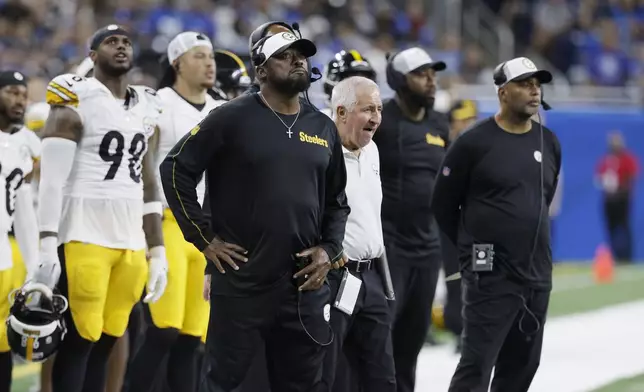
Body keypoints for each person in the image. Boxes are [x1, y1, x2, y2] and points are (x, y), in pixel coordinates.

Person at [160, 21, 350, 392]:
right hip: (244, 285)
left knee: (304, 385)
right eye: (284, 56)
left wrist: (329, 250)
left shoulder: (322, 126)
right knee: (226, 383)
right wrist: (205, 239)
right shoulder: (231, 116)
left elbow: (337, 202)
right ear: (261, 69)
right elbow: (176, 168)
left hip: (304, 287)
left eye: (300, 55)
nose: (296, 61)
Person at [35, 24, 168, 392]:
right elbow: (51, 180)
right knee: (81, 338)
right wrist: (47, 242)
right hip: (83, 232)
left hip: (129, 239)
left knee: (110, 337)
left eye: (126, 41)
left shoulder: (146, 105)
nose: (121, 46)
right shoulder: (75, 97)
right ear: (92, 55)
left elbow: (148, 182)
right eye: (111, 42)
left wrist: (157, 250)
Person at [431, 57, 562, 392]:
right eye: (525, 83)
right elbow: (443, 205)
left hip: (536, 275)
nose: (534, 90)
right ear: (503, 92)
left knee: (522, 367)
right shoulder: (473, 143)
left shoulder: (548, 142)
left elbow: (540, 202)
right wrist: (470, 252)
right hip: (490, 277)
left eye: (537, 83)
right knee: (476, 366)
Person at [126, 31, 227, 392]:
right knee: (163, 329)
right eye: (198, 55)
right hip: (167, 223)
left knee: (192, 338)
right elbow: (141, 170)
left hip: (205, 233)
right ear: (177, 62)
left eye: (210, 56)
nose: (209, 62)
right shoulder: (158, 103)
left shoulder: (221, 108)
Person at [371, 47, 449, 392]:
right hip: (389, 246)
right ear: (399, 81)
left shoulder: (439, 123)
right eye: (421, 74)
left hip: (427, 249)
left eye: (433, 74)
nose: (431, 80)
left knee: (412, 341)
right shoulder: (381, 121)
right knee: (378, 339)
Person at [320, 76, 396, 392]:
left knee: (382, 377)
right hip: (334, 278)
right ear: (340, 112)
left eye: (378, 109)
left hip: (370, 279)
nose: (376, 117)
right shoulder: (320, 151)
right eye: (367, 109)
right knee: (328, 373)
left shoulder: (373, 149)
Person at [0, 70, 39, 392]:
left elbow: (24, 214)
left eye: (23, 94)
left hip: (4, 249)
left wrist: (35, 268)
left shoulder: (23, 145)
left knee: (2, 341)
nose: (19, 100)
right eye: (12, 92)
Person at [433, 99, 479, 352]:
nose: (466, 124)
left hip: (480, 228)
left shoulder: (483, 148)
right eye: (462, 119)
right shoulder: (443, 149)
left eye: (469, 119)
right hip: (451, 227)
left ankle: (480, 331)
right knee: (454, 278)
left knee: (482, 277)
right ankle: (459, 329)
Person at [595, 131, 638, 263]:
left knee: (624, 227)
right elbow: (599, 177)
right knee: (611, 228)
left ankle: (627, 256)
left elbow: (632, 177)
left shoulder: (627, 159)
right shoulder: (607, 160)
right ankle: (614, 255)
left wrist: (620, 189)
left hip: (622, 199)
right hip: (609, 199)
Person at [320, 50, 377, 117]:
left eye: (365, 82)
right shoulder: (317, 123)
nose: (359, 90)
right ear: (330, 87)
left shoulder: (381, 122)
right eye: (352, 82)